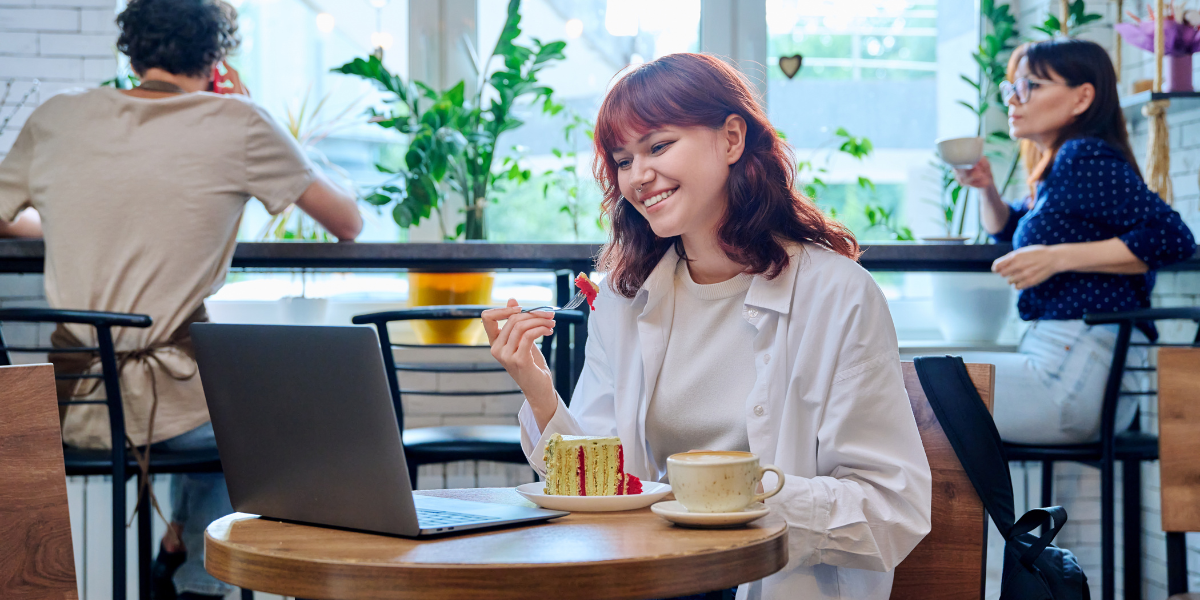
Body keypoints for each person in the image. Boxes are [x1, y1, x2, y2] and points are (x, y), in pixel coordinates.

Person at [482, 53, 932, 600]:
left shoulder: (837, 294)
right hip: (652, 581)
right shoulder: (625, 298)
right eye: (623, 160)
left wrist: (734, 497)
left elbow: (890, 510)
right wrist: (537, 386)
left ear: (732, 139)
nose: (639, 175)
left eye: (658, 145)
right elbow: (604, 486)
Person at [0, 0, 362, 598]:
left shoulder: (58, 117)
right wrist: (260, 116)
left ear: (132, 49)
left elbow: (7, 217)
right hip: (169, 408)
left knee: (215, 401)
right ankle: (199, 580)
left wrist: (67, 226)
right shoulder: (240, 122)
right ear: (216, 57)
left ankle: (177, 547)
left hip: (73, 403)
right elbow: (346, 220)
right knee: (257, 417)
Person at [954, 38, 1196, 447]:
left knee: (922, 388)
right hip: (1068, 360)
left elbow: (1172, 237)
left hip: (1075, 371)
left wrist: (1057, 258)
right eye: (1012, 87)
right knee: (925, 389)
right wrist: (985, 190)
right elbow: (1010, 229)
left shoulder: (1084, 157)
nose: (1014, 98)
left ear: (1083, 97)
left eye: (1030, 86)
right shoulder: (1062, 169)